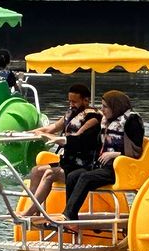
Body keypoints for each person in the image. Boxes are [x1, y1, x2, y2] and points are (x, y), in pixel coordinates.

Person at [19, 83, 102, 218]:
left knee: (49, 174)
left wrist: (51, 137)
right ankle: (36, 210)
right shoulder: (70, 114)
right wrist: (23, 134)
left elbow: (76, 139)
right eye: (69, 101)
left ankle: (28, 213)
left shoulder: (93, 118)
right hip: (67, 162)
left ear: (85, 100)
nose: (71, 104)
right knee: (36, 171)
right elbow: (49, 129)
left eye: (74, 102)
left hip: (82, 165)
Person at [61, 89, 144, 221]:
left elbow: (136, 151)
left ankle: (68, 215)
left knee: (86, 177)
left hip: (121, 168)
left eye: (105, 106)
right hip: (103, 166)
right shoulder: (107, 121)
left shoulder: (132, 120)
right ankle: (71, 217)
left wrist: (115, 155)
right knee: (72, 176)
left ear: (115, 106)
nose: (102, 109)